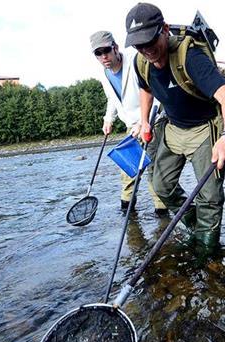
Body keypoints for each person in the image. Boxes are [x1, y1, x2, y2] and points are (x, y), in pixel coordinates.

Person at [124, 3, 225, 251]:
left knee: (209, 197)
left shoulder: (190, 57)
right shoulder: (140, 62)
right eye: (139, 45)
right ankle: (194, 224)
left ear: (164, 30)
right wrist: (145, 121)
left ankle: (207, 250)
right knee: (162, 186)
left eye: (150, 41)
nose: (146, 50)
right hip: (173, 128)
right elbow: (146, 89)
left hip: (204, 130)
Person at [89, 30, 168, 217]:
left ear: (115, 48)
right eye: (98, 53)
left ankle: (161, 213)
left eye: (106, 50)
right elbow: (112, 98)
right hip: (130, 127)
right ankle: (127, 212)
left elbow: (155, 92)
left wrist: (144, 121)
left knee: (152, 168)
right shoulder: (104, 74)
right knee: (128, 169)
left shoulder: (135, 61)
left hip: (152, 122)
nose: (104, 57)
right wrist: (109, 119)